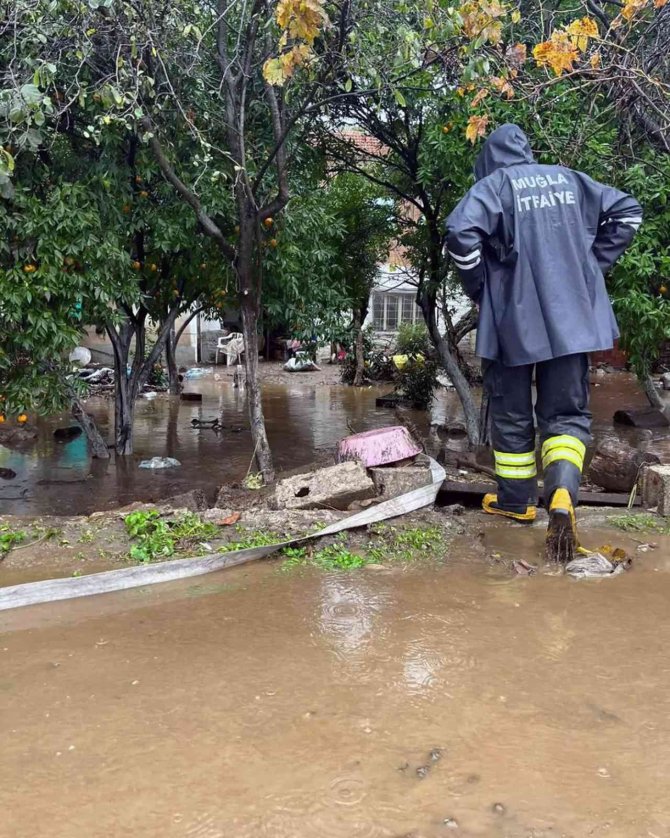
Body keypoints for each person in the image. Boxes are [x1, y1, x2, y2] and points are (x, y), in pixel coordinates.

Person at [445, 124, 642, 561]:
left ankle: (516, 504)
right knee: (567, 416)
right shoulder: (570, 180)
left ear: (489, 160)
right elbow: (628, 212)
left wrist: (482, 288)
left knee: (513, 414)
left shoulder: (496, 186)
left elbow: (460, 233)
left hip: (512, 323)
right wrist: (590, 267)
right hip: (574, 320)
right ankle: (562, 496)